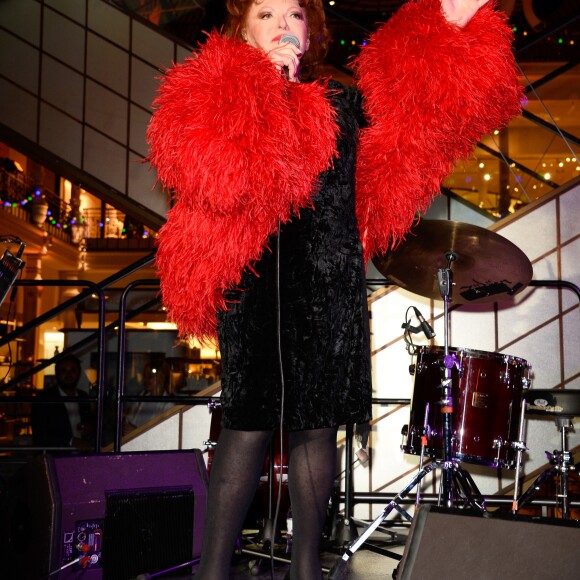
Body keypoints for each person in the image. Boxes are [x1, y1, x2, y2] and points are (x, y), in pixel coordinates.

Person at [146, 1, 523, 577]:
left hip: (327, 285)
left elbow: (415, 113)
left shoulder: (343, 104)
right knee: (246, 425)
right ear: (242, 29)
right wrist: (259, 92)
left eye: (292, 14)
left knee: (316, 426)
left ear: (309, 30)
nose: (280, 25)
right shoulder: (208, 91)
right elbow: (208, 172)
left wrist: (448, 26)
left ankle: (306, 569)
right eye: (265, 13)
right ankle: (213, 569)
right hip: (254, 281)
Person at [31, 354, 94, 450]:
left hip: (81, 457)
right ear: (56, 373)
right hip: (56, 458)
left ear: (79, 372)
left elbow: (90, 423)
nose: (68, 374)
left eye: (73, 370)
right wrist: (71, 441)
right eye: (64, 370)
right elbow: (40, 434)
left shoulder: (83, 397)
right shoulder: (45, 399)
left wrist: (89, 428)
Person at [123, 361, 174, 432]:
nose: (146, 380)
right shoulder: (143, 396)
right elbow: (130, 418)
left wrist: (135, 432)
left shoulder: (168, 405)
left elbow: (162, 435)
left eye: (150, 376)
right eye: (145, 376)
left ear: (161, 377)